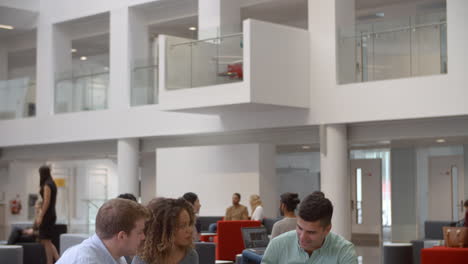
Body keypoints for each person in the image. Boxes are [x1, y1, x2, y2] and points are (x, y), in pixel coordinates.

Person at [261, 191, 357, 264]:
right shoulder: (278, 245)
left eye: (311, 232)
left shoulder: (344, 251)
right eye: (299, 228)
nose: (302, 237)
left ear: (327, 230)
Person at [57, 198, 150, 264]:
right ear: (121, 236)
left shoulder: (117, 257)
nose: (143, 237)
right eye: (139, 232)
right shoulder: (87, 260)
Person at [132, 198, 199, 264]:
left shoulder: (191, 255)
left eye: (189, 224)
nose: (190, 230)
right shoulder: (144, 258)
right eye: (182, 226)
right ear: (163, 230)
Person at [37, 165, 59, 264]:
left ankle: (50, 262)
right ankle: (59, 260)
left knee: (46, 241)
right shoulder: (52, 183)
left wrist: (40, 216)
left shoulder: (47, 184)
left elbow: (46, 201)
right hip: (51, 213)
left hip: (47, 215)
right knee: (47, 241)